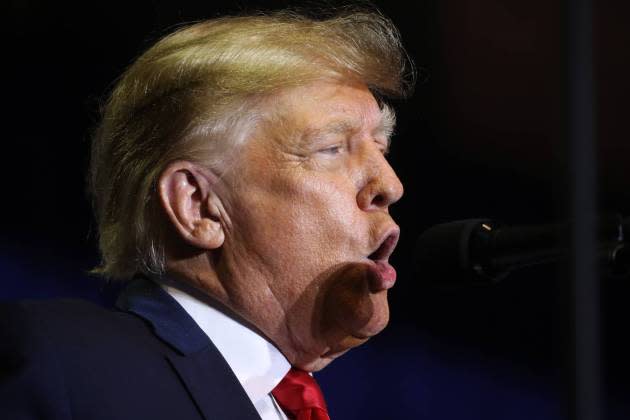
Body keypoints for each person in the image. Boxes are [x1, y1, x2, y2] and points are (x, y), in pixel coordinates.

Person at [0, 8, 414, 420]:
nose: (390, 185)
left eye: (381, 149)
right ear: (198, 206)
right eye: (331, 148)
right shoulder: (65, 365)